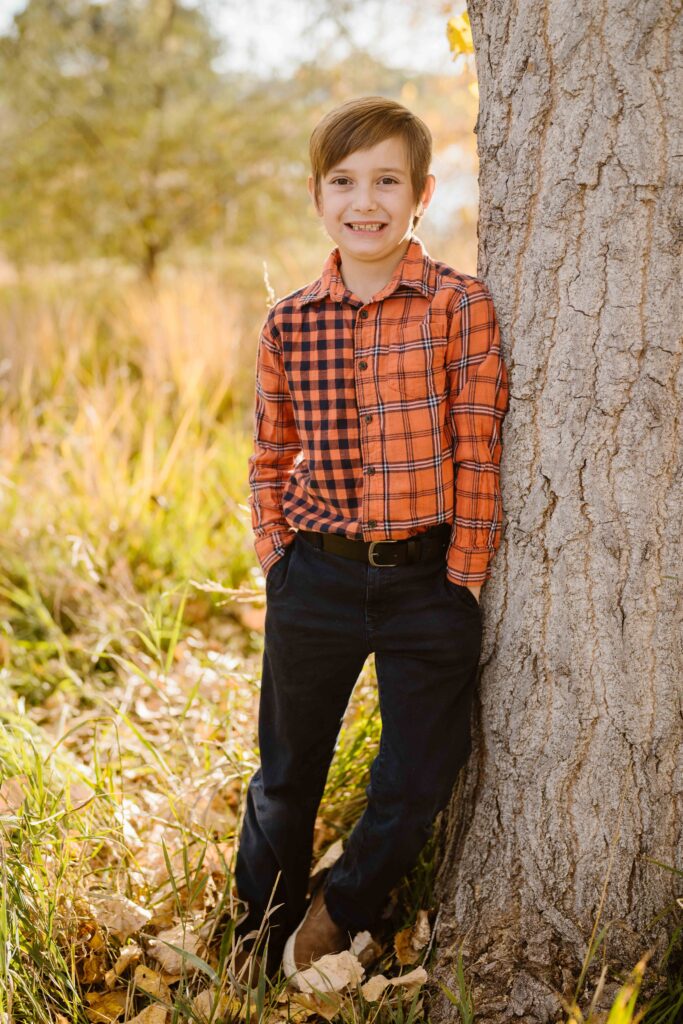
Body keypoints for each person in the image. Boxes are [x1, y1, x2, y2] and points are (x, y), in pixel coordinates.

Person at [232, 95, 509, 988]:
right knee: (286, 774)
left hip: (428, 580)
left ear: (421, 193)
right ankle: (252, 939)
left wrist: (462, 573)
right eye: (344, 182)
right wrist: (277, 551)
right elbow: (272, 449)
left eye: (387, 180)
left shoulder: (459, 307)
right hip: (315, 576)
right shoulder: (289, 321)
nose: (366, 201)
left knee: (421, 770)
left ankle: (342, 905)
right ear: (317, 198)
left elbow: (478, 444)